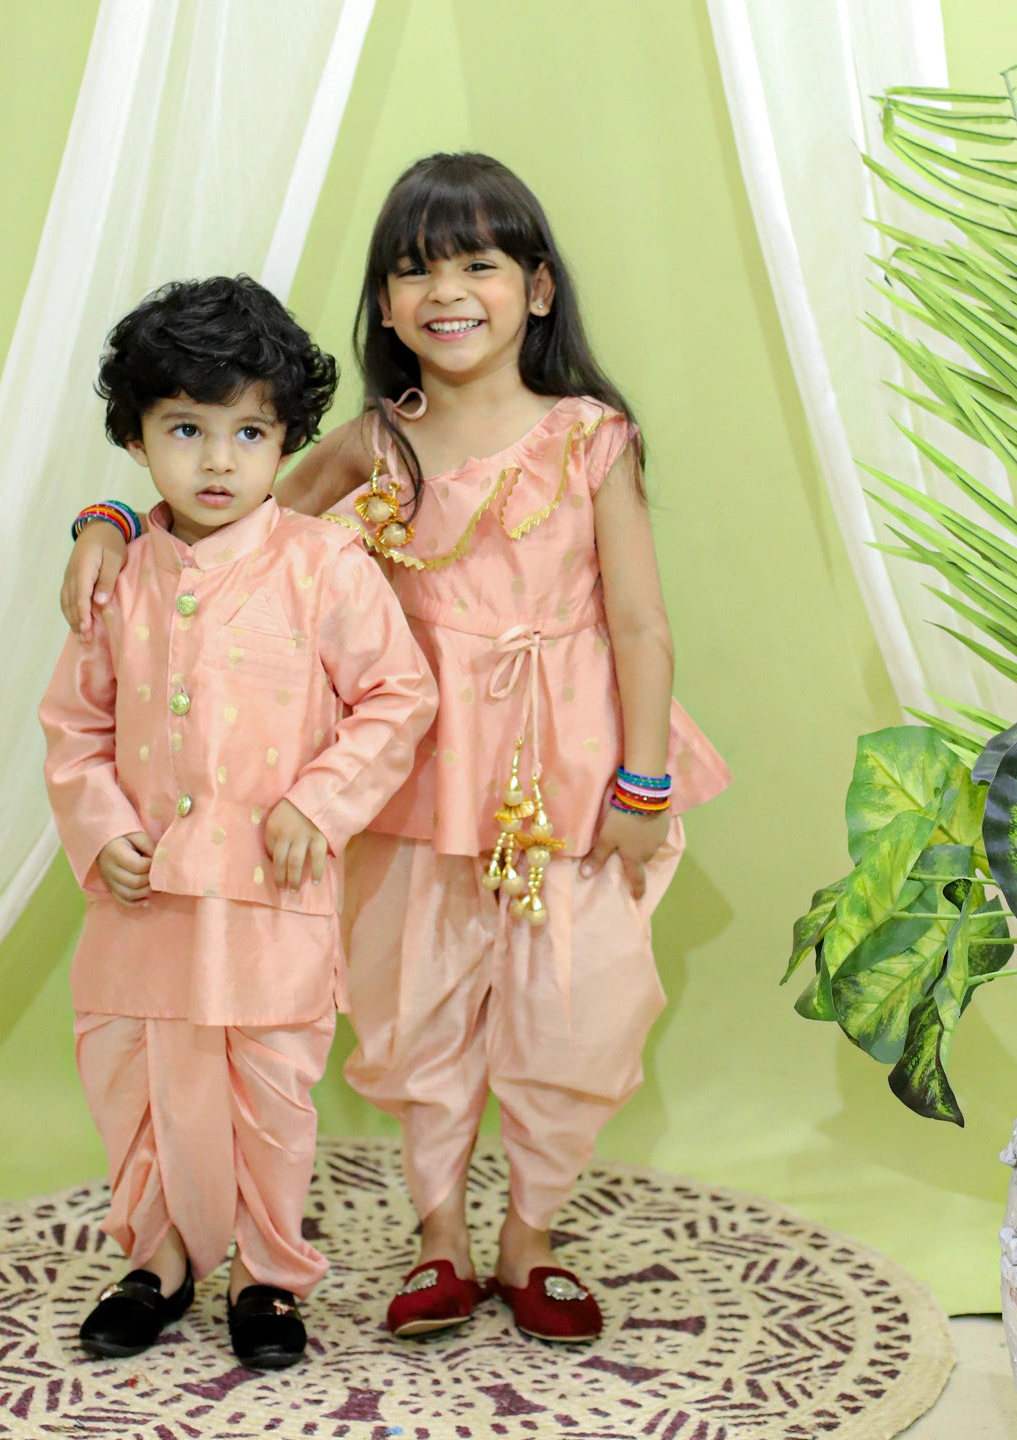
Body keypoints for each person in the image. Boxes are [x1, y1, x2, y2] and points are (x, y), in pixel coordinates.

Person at [61, 154, 731, 1345]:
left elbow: (640, 621)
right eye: (415, 269)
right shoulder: (379, 441)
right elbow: (236, 509)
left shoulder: (591, 437)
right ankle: (440, 1237)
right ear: (382, 302)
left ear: (537, 287)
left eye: (479, 263)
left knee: (576, 1003)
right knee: (417, 1005)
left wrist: (643, 780)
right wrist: (111, 518)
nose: (447, 291)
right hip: (421, 771)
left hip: (569, 764)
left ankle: (530, 1236)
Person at [40, 275, 436, 1368]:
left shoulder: (324, 566)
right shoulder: (115, 576)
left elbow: (399, 698)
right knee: (137, 1082)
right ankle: (159, 1262)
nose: (218, 461)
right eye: (186, 430)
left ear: (285, 439)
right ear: (135, 439)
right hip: (142, 901)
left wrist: (320, 800)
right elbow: (73, 723)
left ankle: (267, 1276)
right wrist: (98, 828)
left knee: (268, 1094)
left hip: (273, 899)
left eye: (249, 433)